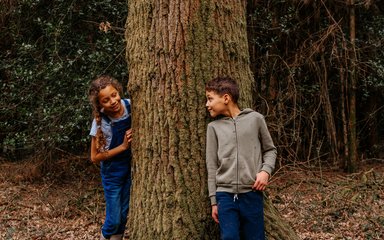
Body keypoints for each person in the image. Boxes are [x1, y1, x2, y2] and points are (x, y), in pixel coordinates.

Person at [205, 77, 277, 240]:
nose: (207, 104)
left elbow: (270, 150)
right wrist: (213, 201)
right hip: (224, 196)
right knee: (229, 237)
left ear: (226, 98)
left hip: (252, 193)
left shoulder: (255, 119)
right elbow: (211, 166)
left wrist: (265, 171)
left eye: (210, 99)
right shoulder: (213, 128)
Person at [88, 75, 133, 240]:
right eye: (106, 100)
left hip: (129, 170)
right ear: (99, 105)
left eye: (114, 95)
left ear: (118, 91)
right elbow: (95, 157)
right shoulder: (101, 123)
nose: (113, 101)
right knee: (113, 220)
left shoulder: (130, 106)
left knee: (122, 216)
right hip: (112, 174)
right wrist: (122, 147)